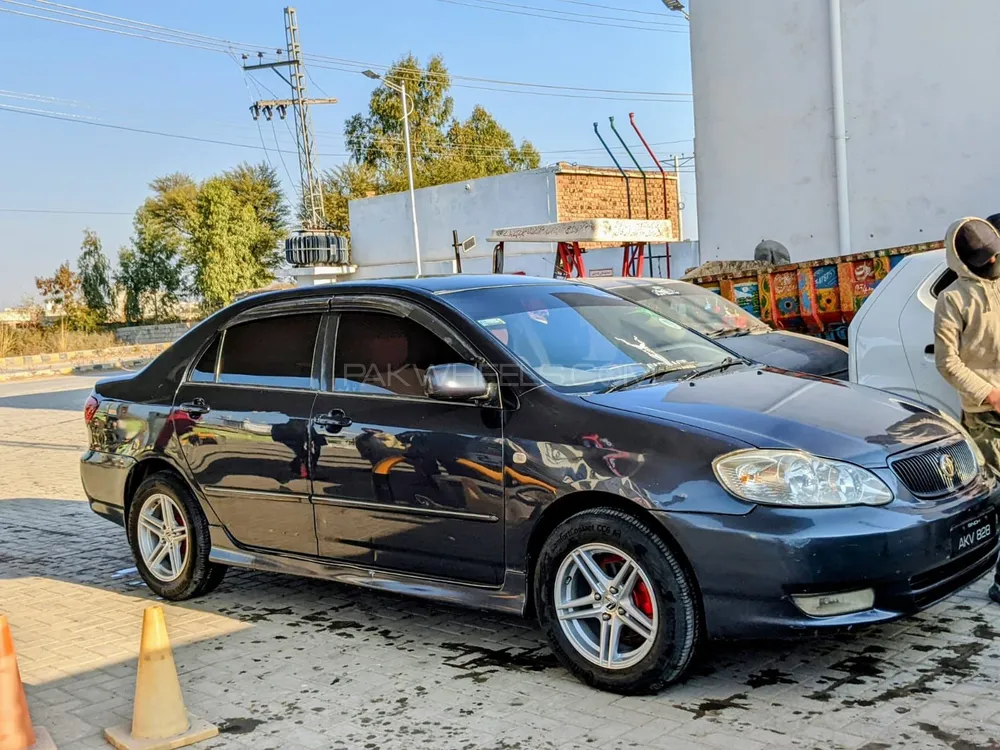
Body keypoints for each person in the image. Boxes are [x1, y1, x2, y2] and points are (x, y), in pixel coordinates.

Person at [934, 216, 1000, 603]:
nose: (992, 264)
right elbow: (948, 362)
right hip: (985, 413)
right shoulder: (953, 299)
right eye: (985, 259)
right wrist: (989, 393)